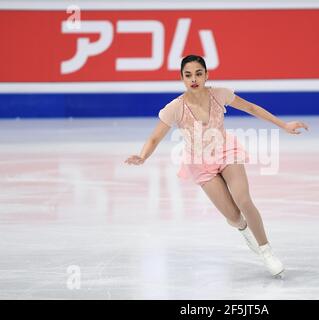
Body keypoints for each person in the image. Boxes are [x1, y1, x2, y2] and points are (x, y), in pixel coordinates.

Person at [125, 55, 309, 277]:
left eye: (199, 74)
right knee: (233, 216)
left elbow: (251, 108)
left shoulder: (220, 94)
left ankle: (266, 251)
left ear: (206, 75)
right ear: (182, 78)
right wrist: (143, 156)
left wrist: (283, 125)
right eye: (188, 75)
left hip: (226, 152)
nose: (194, 79)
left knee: (243, 199)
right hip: (200, 164)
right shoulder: (175, 108)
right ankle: (244, 230)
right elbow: (155, 138)